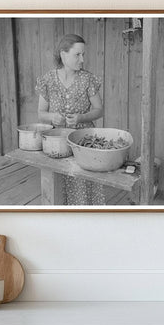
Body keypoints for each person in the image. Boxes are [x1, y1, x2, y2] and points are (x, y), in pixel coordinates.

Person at [36, 34, 105, 205]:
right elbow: (40, 113)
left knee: (82, 185)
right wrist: (53, 116)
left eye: (83, 55)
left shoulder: (88, 79)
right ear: (63, 54)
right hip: (56, 143)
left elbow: (99, 110)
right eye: (77, 54)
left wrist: (81, 117)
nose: (82, 59)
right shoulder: (48, 80)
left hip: (83, 143)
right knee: (56, 186)